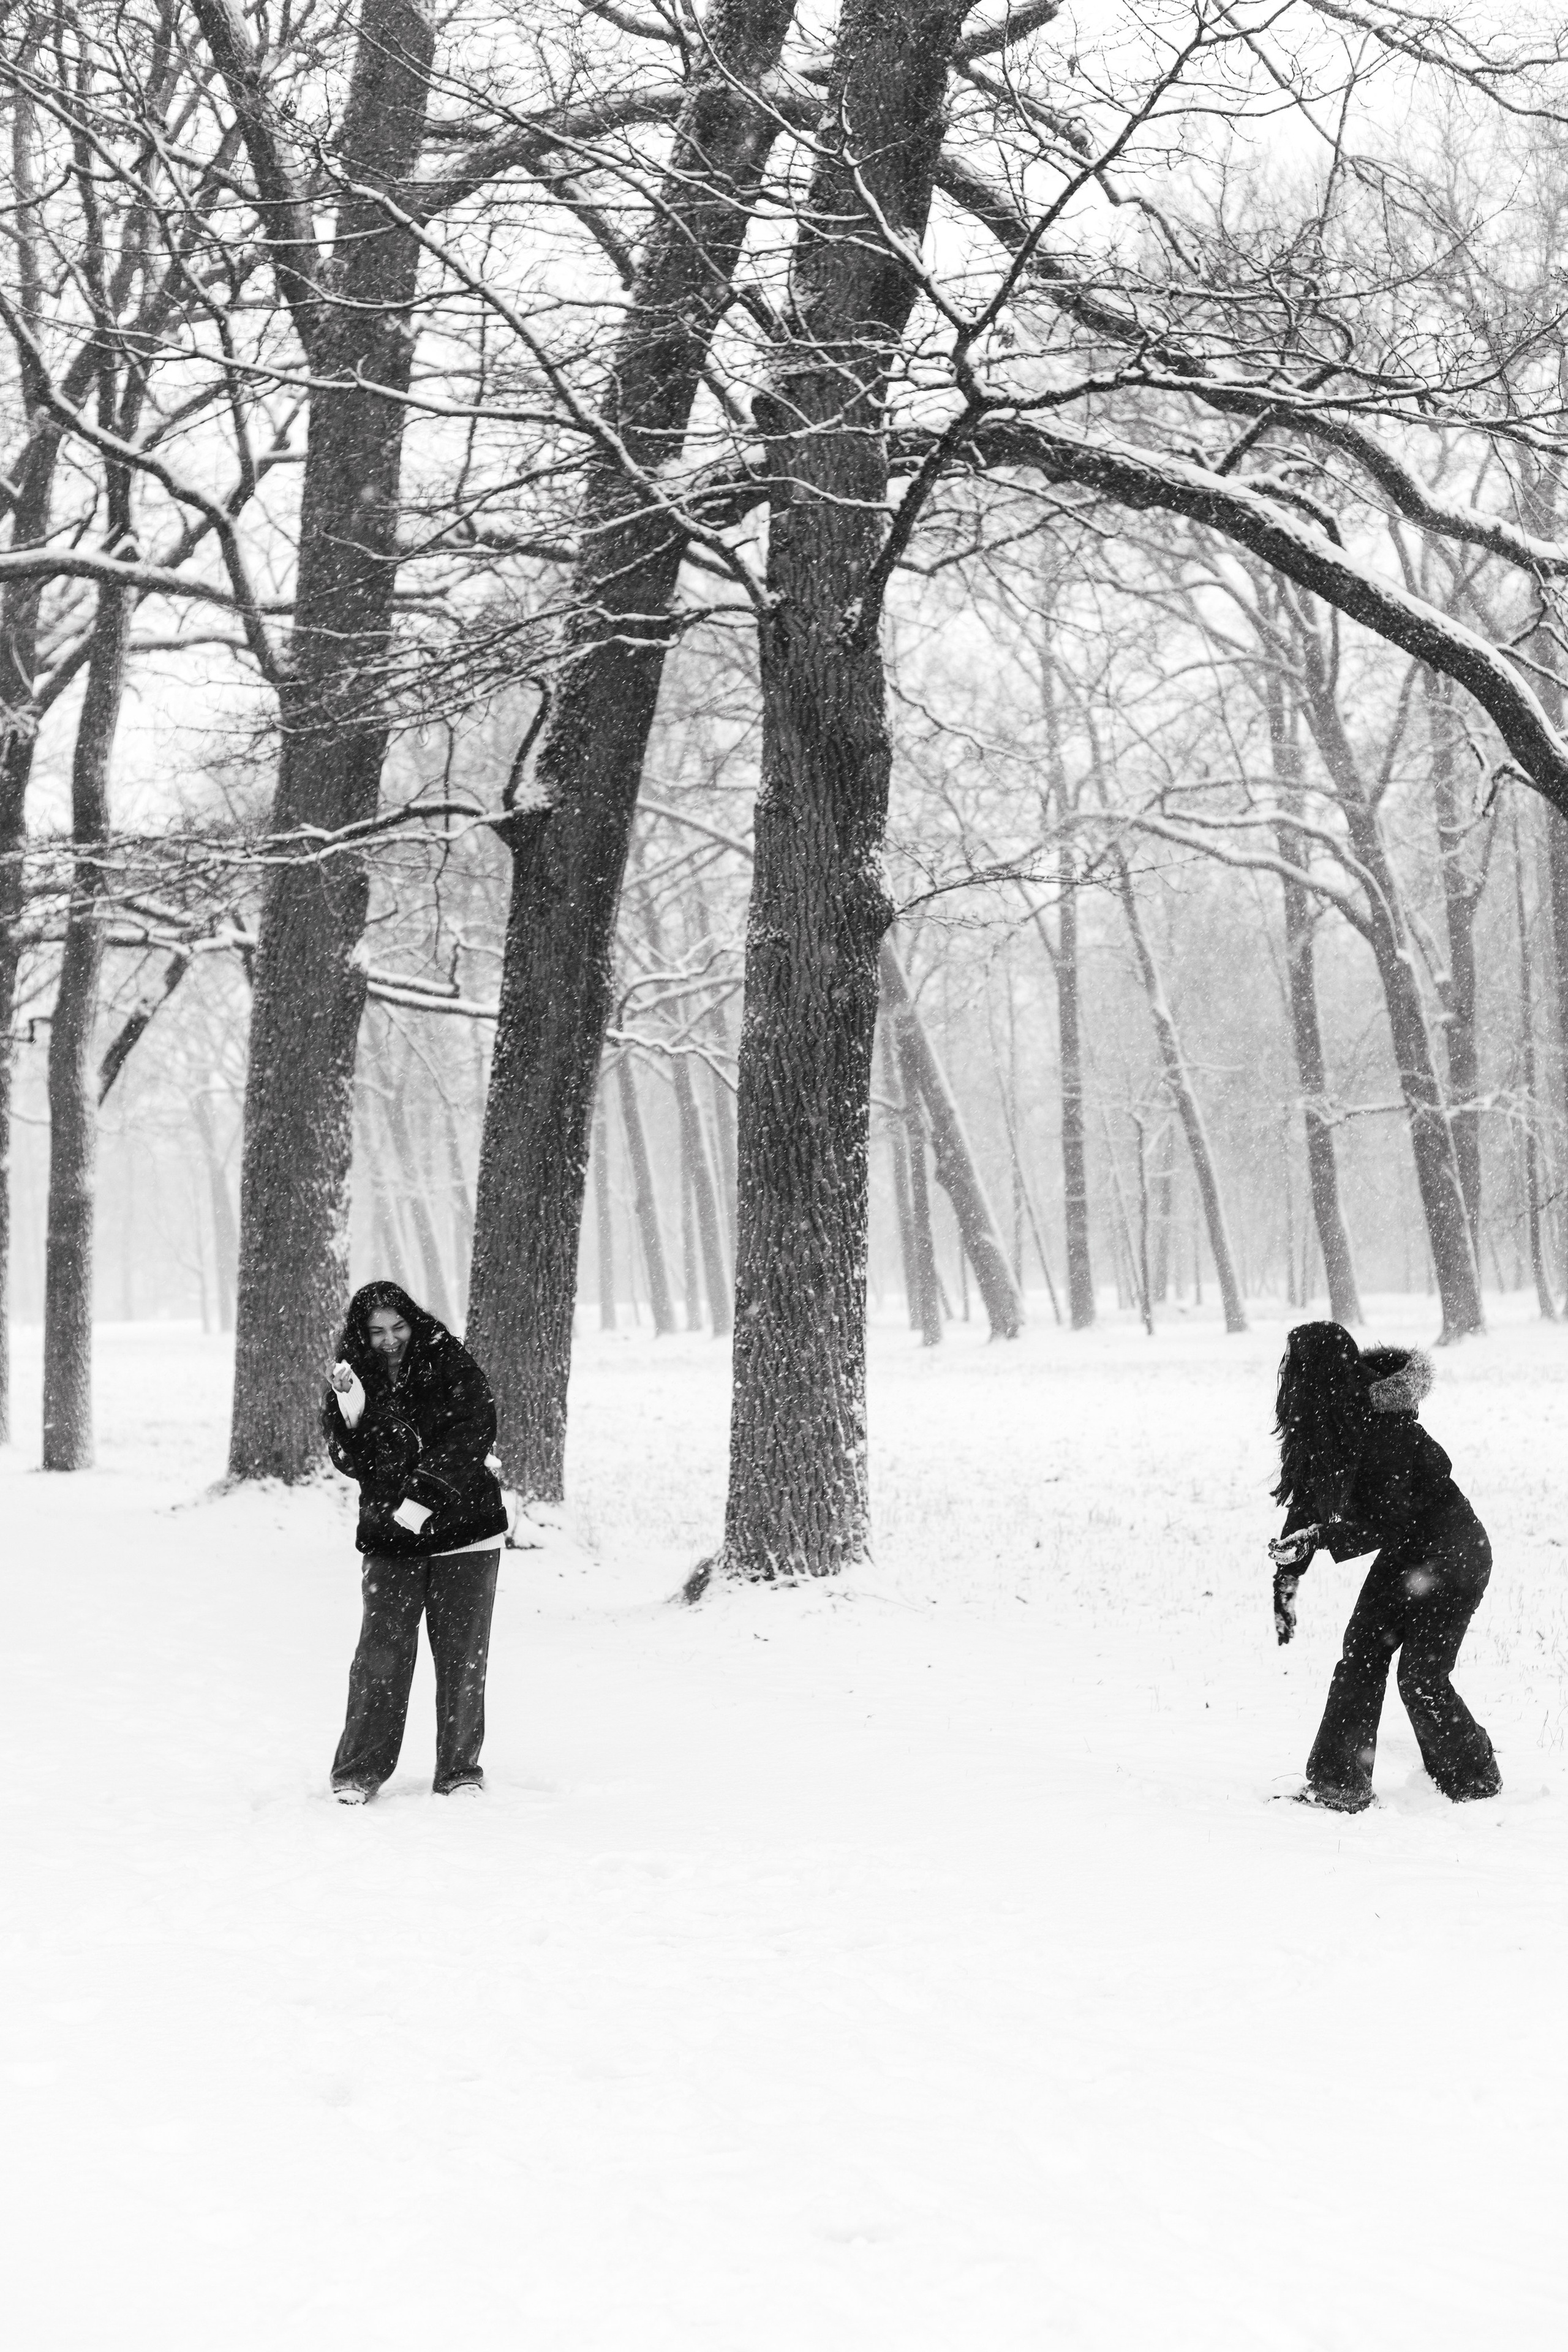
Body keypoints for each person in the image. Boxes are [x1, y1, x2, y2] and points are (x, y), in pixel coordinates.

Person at [1268, 1321, 1501, 1814]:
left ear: (1318, 1372)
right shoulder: (1328, 1423)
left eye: (1295, 1364)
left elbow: (1385, 1520)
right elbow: (1308, 1505)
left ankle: (1476, 1780)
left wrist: (1319, 1538)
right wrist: (1287, 1581)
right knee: (1361, 1655)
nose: (1286, 1373)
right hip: (1409, 1553)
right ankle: (1339, 1784)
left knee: (1421, 1677)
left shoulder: (1383, 1424)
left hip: (1453, 1551)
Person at [324, 1280, 510, 1804]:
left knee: (462, 1659)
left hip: (466, 1531)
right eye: (377, 1331)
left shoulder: (448, 1361)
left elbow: (474, 1431)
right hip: (390, 1536)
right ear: (361, 1333)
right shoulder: (351, 1375)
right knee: (379, 1658)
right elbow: (351, 1459)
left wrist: (424, 1495)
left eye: (398, 1327)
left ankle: (459, 1771)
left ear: (413, 1320)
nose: (389, 1340)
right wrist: (350, 1412)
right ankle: (358, 1773)